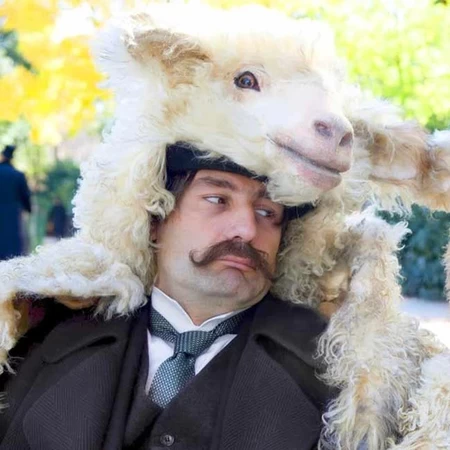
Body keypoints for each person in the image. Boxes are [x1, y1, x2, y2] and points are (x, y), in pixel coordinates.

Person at [0, 145, 331, 449]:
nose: (246, 229)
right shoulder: (35, 337)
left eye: (267, 212)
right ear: (155, 219)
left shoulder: (336, 375)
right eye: (218, 199)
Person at [0, 145, 32, 261]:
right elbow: (25, 196)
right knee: (11, 243)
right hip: (12, 214)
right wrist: (28, 209)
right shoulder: (18, 175)